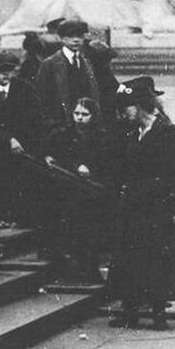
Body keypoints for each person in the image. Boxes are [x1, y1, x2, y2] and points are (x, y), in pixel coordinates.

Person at [107, 77, 175, 328]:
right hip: (134, 208)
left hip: (158, 209)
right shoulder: (133, 134)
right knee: (131, 258)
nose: (123, 112)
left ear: (140, 104)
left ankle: (158, 313)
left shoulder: (168, 134)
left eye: (127, 106)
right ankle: (131, 311)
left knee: (157, 260)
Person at [45, 96, 111, 283]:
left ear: (93, 116)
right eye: (76, 113)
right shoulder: (62, 135)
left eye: (85, 114)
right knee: (69, 231)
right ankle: (69, 271)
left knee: (91, 231)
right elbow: (54, 153)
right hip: (68, 191)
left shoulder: (101, 136)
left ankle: (90, 270)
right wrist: (60, 161)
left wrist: (91, 169)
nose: (79, 118)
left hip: (91, 192)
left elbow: (106, 161)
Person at [0, 49, 39, 225]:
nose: (5, 75)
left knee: (21, 182)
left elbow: (31, 120)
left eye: (9, 71)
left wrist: (20, 140)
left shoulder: (25, 89)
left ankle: (19, 218)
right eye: (1, 71)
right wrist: (8, 139)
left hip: (22, 147)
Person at [34, 19, 98, 138]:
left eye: (79, 36)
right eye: (70, 36)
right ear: (61, 38)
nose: (75, 40)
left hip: (86, 129)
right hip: (61, 130)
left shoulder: (87, 62)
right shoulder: (50, 64)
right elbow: (41, 100)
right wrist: (53, 127)